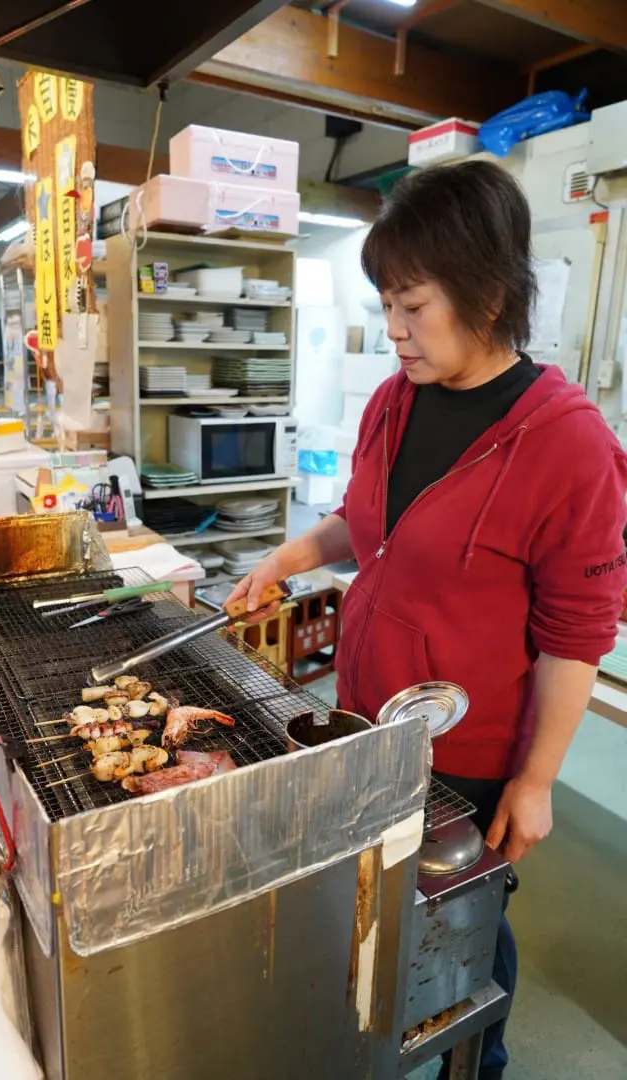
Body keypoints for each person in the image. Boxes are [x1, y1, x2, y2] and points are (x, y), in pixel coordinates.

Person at [227, 160, 627, 1079]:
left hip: (472, 752)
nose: (393, 329)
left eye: (412, 305)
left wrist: (537, 780)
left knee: (467, 923)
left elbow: (577, 635)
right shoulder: (395, 400)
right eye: (386, 304)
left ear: (487, 293)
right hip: (370, 714)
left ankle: (478, 1059)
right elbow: (368, 522)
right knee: (379, 905)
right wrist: (290, 556)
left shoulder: (568, 443)